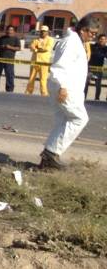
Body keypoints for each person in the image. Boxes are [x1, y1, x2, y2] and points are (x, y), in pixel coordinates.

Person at [40, 16, 95, 169]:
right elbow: (59, 66)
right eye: (92, 33)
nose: (93, 36)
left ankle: (47, 159)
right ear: (83, 30)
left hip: (69, 88)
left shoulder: (77, 42)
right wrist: (63, 87)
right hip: (64, 88)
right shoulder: (71, 42)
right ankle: (50, 153)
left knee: (63, 121)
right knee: (79, 119)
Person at [26, 24, 55, 96]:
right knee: (31, 79)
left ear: (47, 32)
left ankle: (44, 94)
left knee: (43, 80)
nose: (42, 32)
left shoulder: (50, 40)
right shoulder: (36, 39)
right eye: (41, 31)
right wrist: (37, 49)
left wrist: (36, 49)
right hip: (34, 62)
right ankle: (28, 93)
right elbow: (31, 47)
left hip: (44, 63)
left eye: (44, 31)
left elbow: (46, 49)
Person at [0, 25, 22, 93]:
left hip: (9, 60)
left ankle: (9, 90)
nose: (9, 31)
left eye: (11, 30)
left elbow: (19, 48)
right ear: (6, 30)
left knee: (9, 75)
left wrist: (10, 47)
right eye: (8, 30)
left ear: (13, 31)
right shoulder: (1, 38)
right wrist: (1, 46)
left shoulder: (16, 39)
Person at [87, 33, 106, 101]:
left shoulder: (105, 49)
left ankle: (97, 99)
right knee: (86, 83)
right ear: (98, 40)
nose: (102, 40)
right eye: (101, 39)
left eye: (104, 39)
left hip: (99, 69)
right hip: (90, 68)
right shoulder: (92, 46)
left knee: (98, 85)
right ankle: (84, 97)